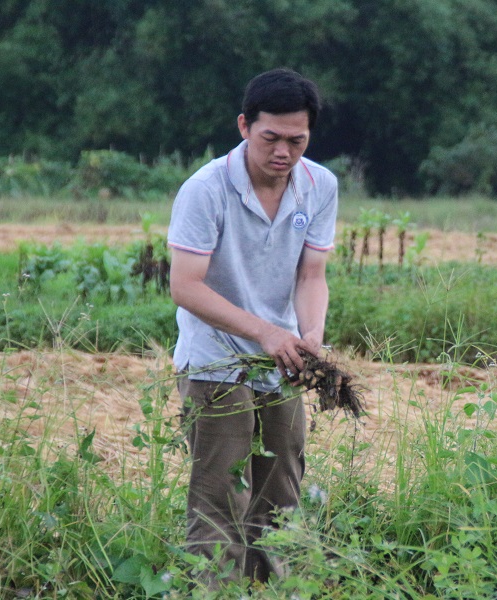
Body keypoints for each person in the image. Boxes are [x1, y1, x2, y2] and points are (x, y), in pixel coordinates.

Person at [167, 68, 337, 590]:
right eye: (271, 138)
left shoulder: (320, 185)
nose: (283, 152)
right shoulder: (206, 189)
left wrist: (311, 336)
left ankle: (276, 589)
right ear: (244, 126)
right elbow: (185, 286)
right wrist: (265, 332)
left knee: (282, 489)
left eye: (296, 140)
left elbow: (311, 275)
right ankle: (216, 592)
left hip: (281, 359)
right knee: (221, 493)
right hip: (214, 359)